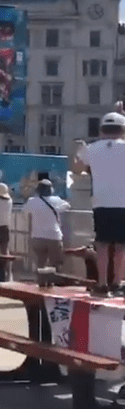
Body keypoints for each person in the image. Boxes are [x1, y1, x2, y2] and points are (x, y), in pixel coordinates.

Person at [74, 111, 125, 295]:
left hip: (101, 202)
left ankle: (102, 284)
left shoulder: (91, 148)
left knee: (102, 245)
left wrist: (79, 151)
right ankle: (118, 282)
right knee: (121, 246)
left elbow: (77, 170)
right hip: (123, 203)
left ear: (102, 129)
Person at [23, 179, 70, 270]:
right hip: (54, 236)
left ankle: (41, 281)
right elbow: (67, 205)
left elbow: (25, 209)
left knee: (40, 263)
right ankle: (54, 281)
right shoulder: (56, 200)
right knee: (55, 263)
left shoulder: (32, 201)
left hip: (37, 236)